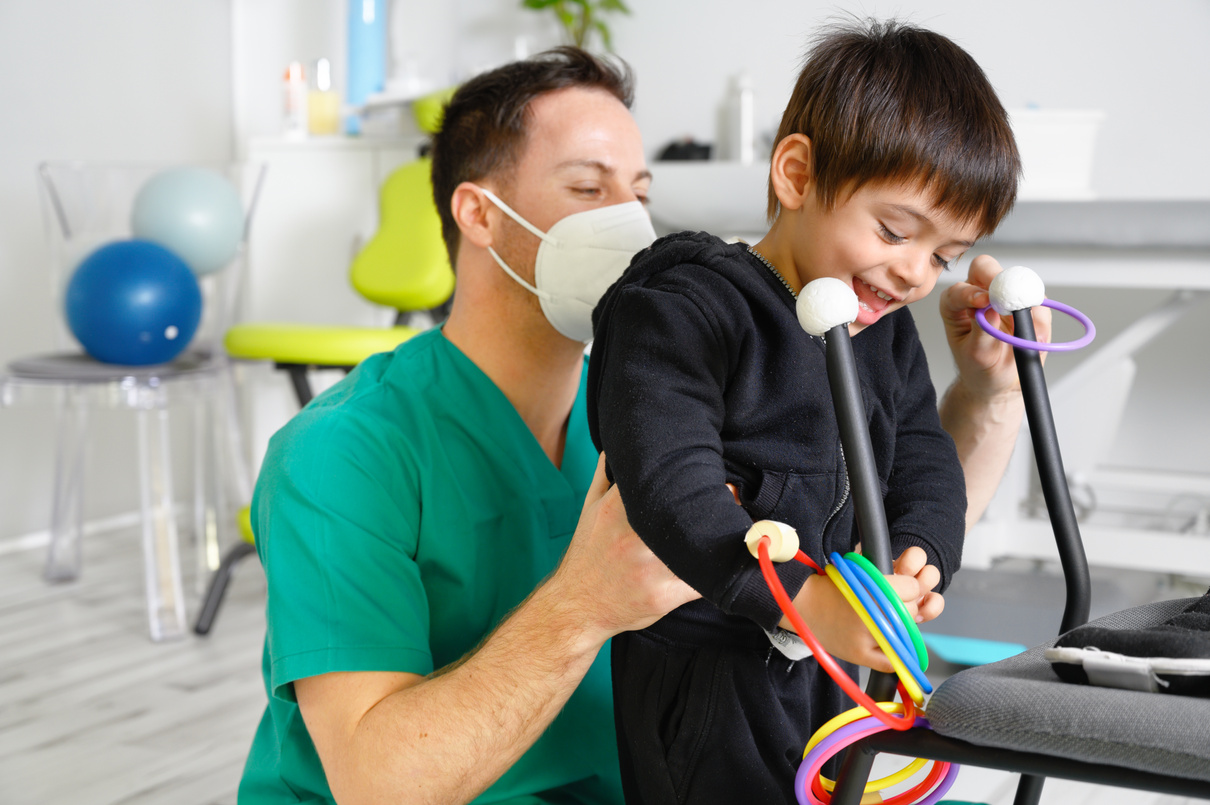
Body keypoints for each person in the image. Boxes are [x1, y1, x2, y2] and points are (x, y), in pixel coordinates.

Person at [236, 46, 1048, 805]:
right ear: (479, 217)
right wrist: (583, 602)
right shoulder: (346, 451)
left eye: (642, 191)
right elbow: (381, 785)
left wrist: (991, 394)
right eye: (589, 189)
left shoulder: (674, 396)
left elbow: (871, 522)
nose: (628, 221)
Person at [587, 21, 1023, 803]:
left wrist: (922, 554)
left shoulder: (880, 333)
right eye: (895, 230)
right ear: (795, 174)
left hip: (828, 668)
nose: (917, 273)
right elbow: (667, 480)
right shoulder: (683, 307)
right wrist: (803, 599)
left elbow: (923, 454)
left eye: (944, 255)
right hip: (707, 676)